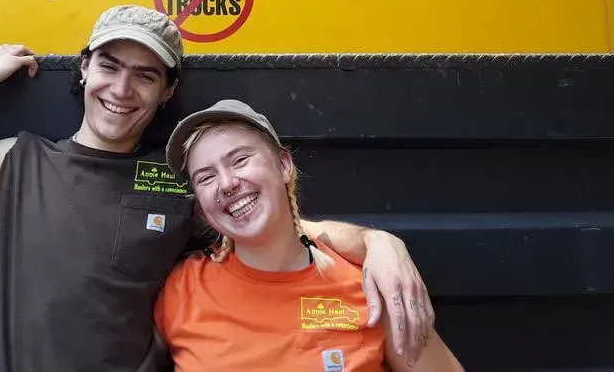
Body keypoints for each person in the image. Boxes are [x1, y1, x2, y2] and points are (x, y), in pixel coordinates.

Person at [0, 5, 436, 372]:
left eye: (145, 74)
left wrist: (380, 243)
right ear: (83, 70)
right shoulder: (16, 163)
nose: (122, 89)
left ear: (166, 92)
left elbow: (277, 226)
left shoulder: (178, 181)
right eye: (109, 66)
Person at [155, 98, 464, 372]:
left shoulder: (370, 289)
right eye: (206, 177)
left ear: (284, 165)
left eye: (240, 160)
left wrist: (381, 240)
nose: (226, 183)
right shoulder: (181, 290)